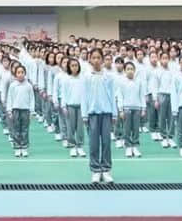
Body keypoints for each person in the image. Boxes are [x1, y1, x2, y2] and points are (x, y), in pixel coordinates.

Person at [81, 48, 116, 184]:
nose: (96, 60)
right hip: (92, 114)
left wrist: (114, 113)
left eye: (98, 57)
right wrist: (84, 115)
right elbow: (83, 97)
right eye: (93, 57)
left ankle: (106, 170)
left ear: (102, 60)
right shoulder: (86, 76)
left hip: (106, 113)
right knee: (94, 143)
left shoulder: (108, 76)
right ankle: (96, 170)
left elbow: (113, 96)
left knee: (106, 143)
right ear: (90, 59)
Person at [118, 61, 145, 158]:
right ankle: (128, 146)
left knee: (136, 128)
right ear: (125, 71)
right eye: (128, 69)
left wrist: (143, 109)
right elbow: (120, 96)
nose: (130, 71)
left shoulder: (139, 82)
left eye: (132, 69)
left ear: (134, 70)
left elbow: (142, 95)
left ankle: (135, 146)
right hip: (126, 108)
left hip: (137, 108)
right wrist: (120, 110)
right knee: (127, 128)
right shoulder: (122, 82)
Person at [7, 64, 34, 157]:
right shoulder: (13, 85)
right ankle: (17, 147)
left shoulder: (29, 86)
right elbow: (10, 98)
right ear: (15, 74)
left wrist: (32, 111)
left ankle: (24, 147)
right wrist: (9, 110)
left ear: (25, 73)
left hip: (25, 110)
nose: (20, 74)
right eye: (18, 72)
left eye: (22, 72)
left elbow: (32, 99)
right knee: (16, 129)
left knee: (25, 129)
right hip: (15, 110)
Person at [62, 58, 86, 157]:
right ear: (69, 67)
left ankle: (80, 146)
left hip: (81, 106)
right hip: (70, 106)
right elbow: (64, 93)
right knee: (70, 127)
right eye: (72, 65)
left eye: (76, 65)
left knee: (80, 128)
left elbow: (85, 93)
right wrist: (64, 106)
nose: (74, 67)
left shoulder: (83, 78)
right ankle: (72, 146)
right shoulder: (67, 79)